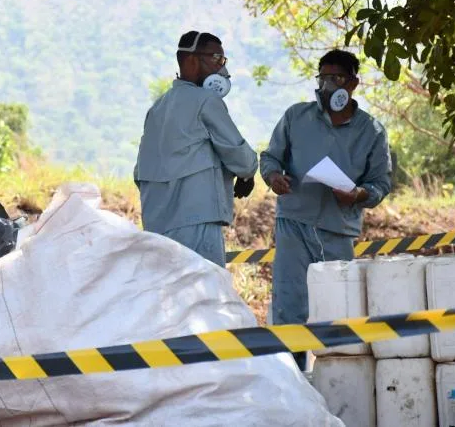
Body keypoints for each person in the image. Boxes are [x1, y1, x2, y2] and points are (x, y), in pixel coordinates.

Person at [261, 48, 392, 369]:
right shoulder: (296, 116)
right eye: (323, 78)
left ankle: (339, 379)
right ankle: (291, 379)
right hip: (293, 224)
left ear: (353, 84)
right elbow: (270, 157)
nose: (329, 86)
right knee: (289, 307)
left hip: (338, 231)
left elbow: (381, 184)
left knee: (337, 308)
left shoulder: (372, 131)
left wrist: (359, 194)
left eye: (337, 78)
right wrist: (274, 177)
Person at [134, 30, 258, 266]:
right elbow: (240, 156)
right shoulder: (206, 100)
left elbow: (140, 171)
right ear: (191, 61)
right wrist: (247, 173)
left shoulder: (157, 108)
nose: (221, 69)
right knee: (204, 297)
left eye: (222, 61)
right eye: (215, 59)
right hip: (197, 223)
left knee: (171, 298)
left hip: (156, 227)